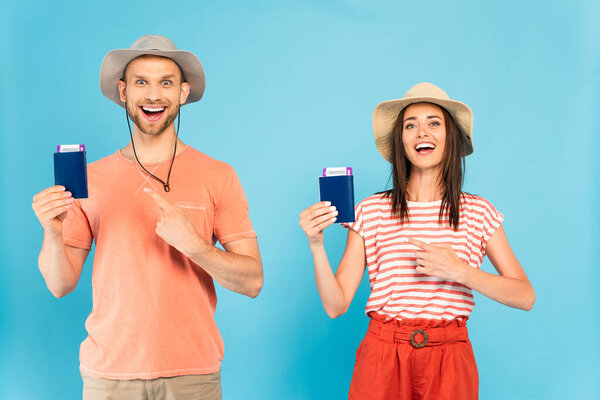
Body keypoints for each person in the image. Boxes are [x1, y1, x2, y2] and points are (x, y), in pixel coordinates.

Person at [31, 35, 263, 400]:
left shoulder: (219, 175)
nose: (153, 95)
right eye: (141, 82)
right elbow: (60, 285)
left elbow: (252, 282)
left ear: (183, 92)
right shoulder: (89, 179)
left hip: (193, 374)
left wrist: (194, 246)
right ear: (123, 91)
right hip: (110, 376)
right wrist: (52, 232)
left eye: (165, 82)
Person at [299, 82, 535, 400]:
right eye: (411, 125)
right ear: (402, 142)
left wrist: (460, 271)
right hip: (383, 354)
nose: (422, 132)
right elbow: (335, 305)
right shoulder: (370, 210)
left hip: (450, 357)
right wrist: (315, 244)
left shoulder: (478, 212)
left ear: (450, 137)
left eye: (433, 123)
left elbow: (525, 296)